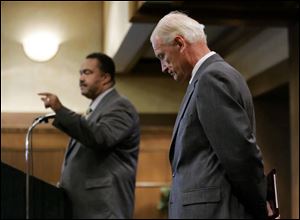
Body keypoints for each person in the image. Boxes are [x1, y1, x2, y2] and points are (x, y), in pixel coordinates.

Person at [150, 11, 269, 219]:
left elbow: (240, 154)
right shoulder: (207, 78)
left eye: (162, 56)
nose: (163, 67)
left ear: (180, 43)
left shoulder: (212, 77)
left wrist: (261, 207)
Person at [38, 52, 140, 219]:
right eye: (80, 73)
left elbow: (100, 137)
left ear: (105, 77)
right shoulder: (95, 110)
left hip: (104, 210)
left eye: (87, 73)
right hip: (86, 208)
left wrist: (60, 110)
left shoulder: (120, 106)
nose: (80, 78)